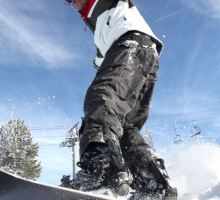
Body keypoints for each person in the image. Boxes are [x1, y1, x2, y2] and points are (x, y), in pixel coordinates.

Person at [61, 0, 178, 199]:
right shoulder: (97, 26)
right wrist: (98, 62)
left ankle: (100, 168)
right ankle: (152, 184)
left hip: (131, 43)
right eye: (66, 2)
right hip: (145, 54)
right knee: (125, 127)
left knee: (102, 100)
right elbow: (102, 55)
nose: (71, 4)